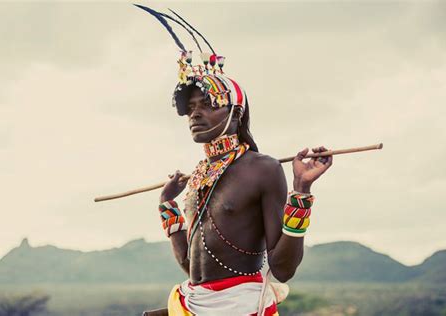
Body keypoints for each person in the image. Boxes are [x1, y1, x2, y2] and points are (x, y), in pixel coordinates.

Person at [135, 5, 333, 315]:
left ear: (235, 113)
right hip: (193, 302)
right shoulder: (200, 175)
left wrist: (301, 191)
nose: (195, 113)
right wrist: (167, 207)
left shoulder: (261, 169)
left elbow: (283, 268)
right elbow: (191, 267)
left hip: (240, 306)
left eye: (207, 104)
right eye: (190, 108)